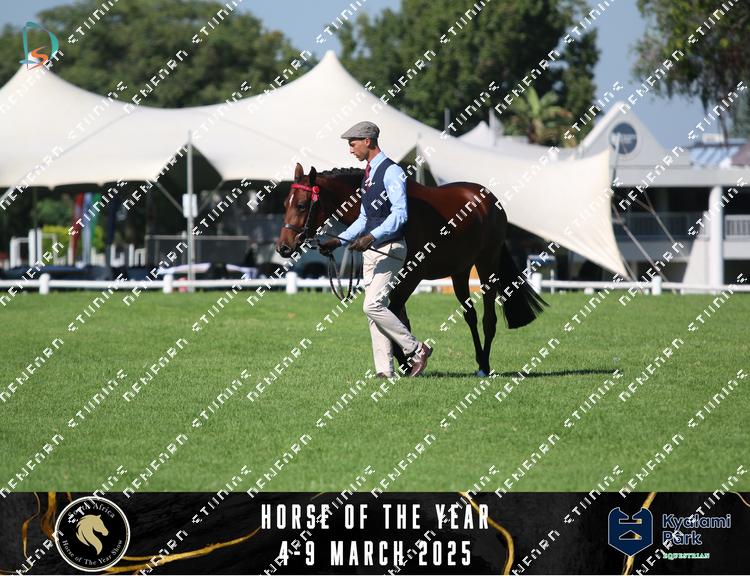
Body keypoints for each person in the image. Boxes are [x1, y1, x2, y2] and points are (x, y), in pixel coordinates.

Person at [319, 121, 432, 378]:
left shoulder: (392, 171)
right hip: (372, 251)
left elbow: (400, 214)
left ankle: (417, 349)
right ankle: (384, 371)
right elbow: (364, 218)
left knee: (372, 306)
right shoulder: (368, 175)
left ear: (367, 141)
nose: (350, 150)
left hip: (390, 248)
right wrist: (339, 241)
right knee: (374, 311)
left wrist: (372, 236)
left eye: (353, 144)